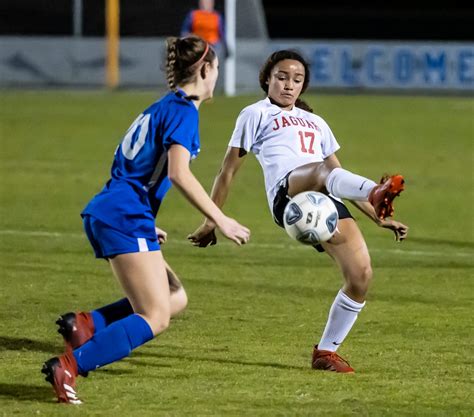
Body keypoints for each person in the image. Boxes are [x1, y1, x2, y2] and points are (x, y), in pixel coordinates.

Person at [41, 35, 250, 404]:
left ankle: (86, 325)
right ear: (204, 69)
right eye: (216, 69)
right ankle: (70, 365)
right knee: (156, 315)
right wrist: (220, 218)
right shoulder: (184, 112)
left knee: (174, 297)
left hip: (119, 210)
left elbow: (131, 166)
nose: (218, 76)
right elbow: (178, 173)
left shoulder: (162, 106)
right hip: (123, 215)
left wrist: (145, 218)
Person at [188, 50, 408, 373]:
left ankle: (326, 352)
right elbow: (227, 172)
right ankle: (375, 190)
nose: (289, 85)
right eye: (282, 77)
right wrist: (211, 221)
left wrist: (379, 218)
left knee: (361, 275)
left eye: (297, 79)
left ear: (303, 85)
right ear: (267, 78)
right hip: (287, 195)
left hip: (323, 196)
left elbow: (338, 176)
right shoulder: (255, 114)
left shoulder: (317, 123)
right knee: (320, 172)